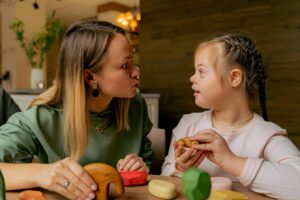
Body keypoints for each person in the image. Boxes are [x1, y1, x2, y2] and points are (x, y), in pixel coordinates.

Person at [0, 20, 153, 200]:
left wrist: (140, 168)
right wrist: (41, 173)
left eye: (132, 61)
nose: (136, 72)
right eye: (125, 65)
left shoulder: (136, 106)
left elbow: (147, 164)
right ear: (89, 77)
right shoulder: (40, 119)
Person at [161, 34, 300, 199]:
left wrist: (230, 160)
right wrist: (180, 168)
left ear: (234, 78)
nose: (192, 78)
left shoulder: (267, 135)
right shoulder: (188, 124)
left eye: (201, 71)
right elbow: (164, 178)